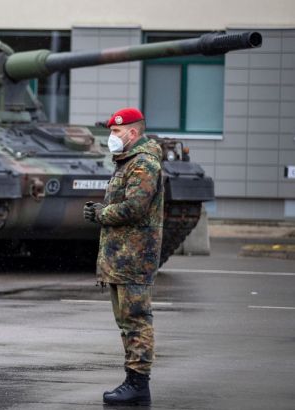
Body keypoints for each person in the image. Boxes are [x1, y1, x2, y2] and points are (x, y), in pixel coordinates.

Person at [84, 107, 163, 406]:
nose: (111, 137)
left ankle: (138, 384)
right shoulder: (127, 161)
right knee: (127, 322)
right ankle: (132, 381)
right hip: (122, 257)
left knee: (136, 320)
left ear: (132, 132)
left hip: (135, 257)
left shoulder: (143, 163)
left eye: (116, 131)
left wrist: (101, 213)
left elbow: (135, 207)